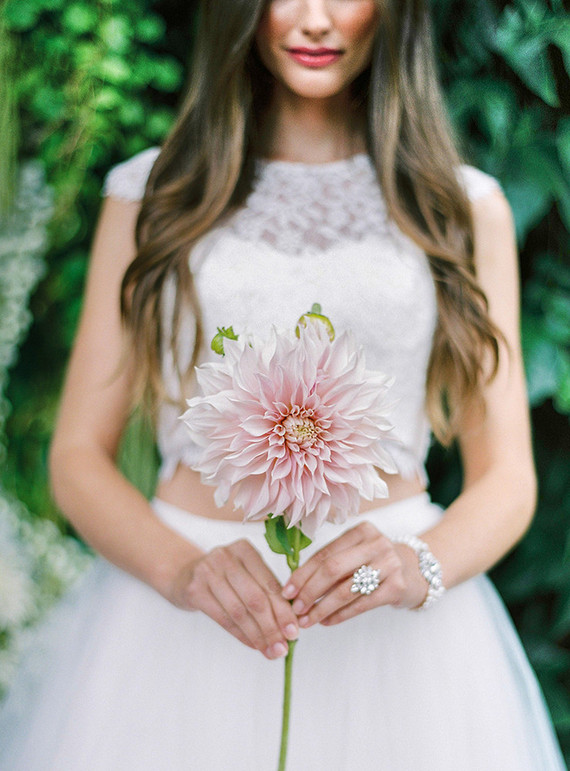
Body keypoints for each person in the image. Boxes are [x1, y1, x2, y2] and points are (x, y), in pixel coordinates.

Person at [0, 1, 566, 768]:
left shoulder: (461, 207)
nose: (314, 19)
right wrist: (185, 571)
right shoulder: (153, 194)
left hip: (399, 640)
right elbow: (76, 457)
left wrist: (416, 563)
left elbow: (507, 479)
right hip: (180, 627)